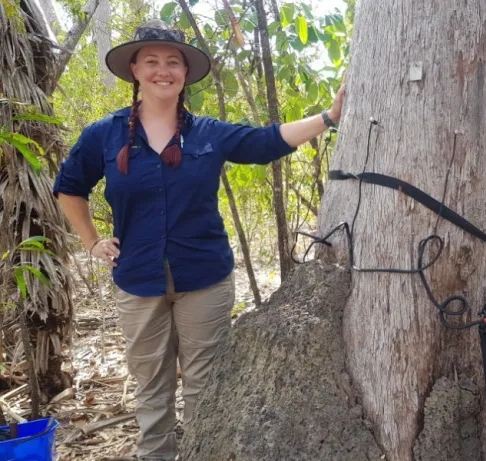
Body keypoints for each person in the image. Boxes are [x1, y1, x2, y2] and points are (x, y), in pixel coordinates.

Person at [53, 19, 345, 461]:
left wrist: (328, 118)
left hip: (204, 278)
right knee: (151, 385)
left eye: (173, 62)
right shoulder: (104, 135)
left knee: (205, 383)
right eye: (151, 61)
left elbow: (265, 142)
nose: (163, 70)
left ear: (186, 73)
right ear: (135, 69)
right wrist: (92, 241)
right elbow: (69, 187)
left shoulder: (207, 133)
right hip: (137, 280)